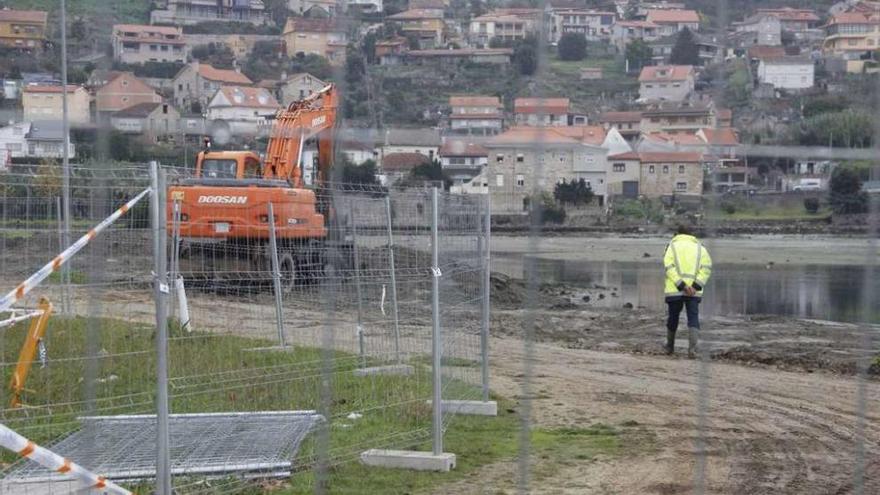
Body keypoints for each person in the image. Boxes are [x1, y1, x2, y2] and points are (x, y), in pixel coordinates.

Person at [663, 225, 712, 358]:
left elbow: (669, 267)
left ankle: (669, 347)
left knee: (673, 318)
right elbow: (706, 268)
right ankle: (692, 350)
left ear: (677, 233)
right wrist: (695, 286)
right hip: (694, 292)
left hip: (674, 290)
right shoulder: (700, 248)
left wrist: (682, 285)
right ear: (691, 234)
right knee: (693, 318)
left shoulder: (671, 246)